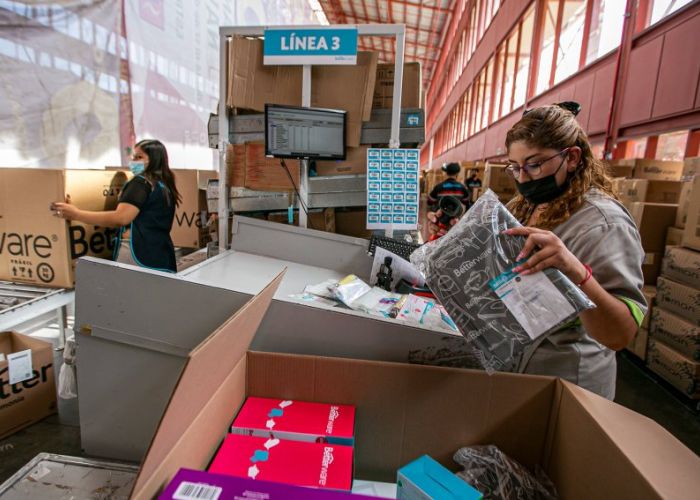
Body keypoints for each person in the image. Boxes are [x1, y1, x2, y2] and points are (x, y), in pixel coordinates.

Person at [427, 103, 646, 399]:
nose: (524, 178)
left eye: (534, 164)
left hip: (567, 382)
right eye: (515, 167)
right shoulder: (530, 206)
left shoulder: (603, 223)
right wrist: (458, 240)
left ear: (571, 157)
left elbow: (620, 333)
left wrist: (576, 271)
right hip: (519, 370)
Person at [52, 139, 181, 273]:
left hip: (139, 257)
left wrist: (76, 214)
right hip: (161, 255)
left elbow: (120, 218)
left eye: (139, 157)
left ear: (154, 159)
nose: (134, 161)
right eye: (133, 157)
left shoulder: (140, 183)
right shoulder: (164, 185)